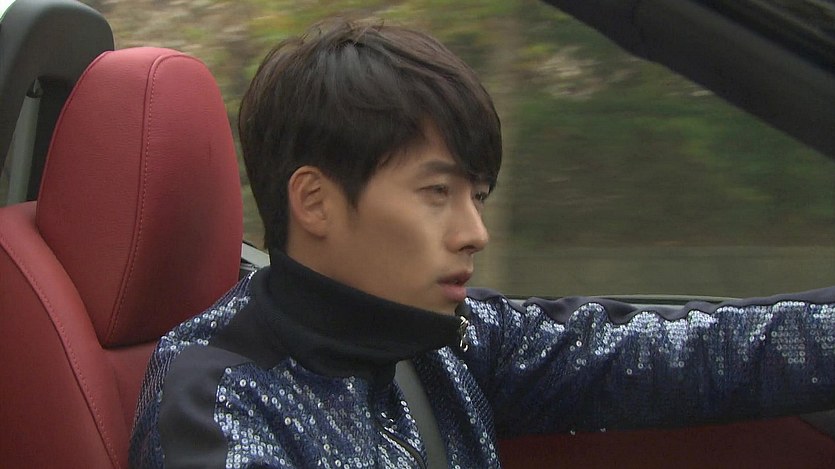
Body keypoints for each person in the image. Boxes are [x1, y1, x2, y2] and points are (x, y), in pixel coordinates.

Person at [130, 18, 835, 468]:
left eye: (477, 196)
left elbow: (693, 354)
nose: (475, 232)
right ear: (314, 201)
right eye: (437, 192)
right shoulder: (218, 404)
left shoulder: (452, 340)